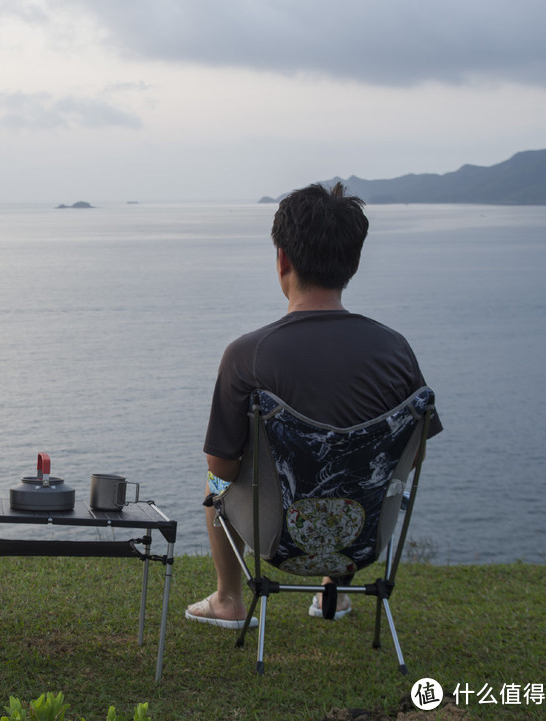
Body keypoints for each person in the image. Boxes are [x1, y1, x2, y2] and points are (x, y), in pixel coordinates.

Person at [186, 183, 442, 628]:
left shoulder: (248, 355)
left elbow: (222, 468)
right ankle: (335, 592)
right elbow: (412, 455)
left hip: (277, 540)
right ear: (353, 263)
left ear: (282, 258)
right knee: (352, 464)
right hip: (360, 542)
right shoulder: (396, 351)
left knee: (212, 477)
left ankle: (229, 599)